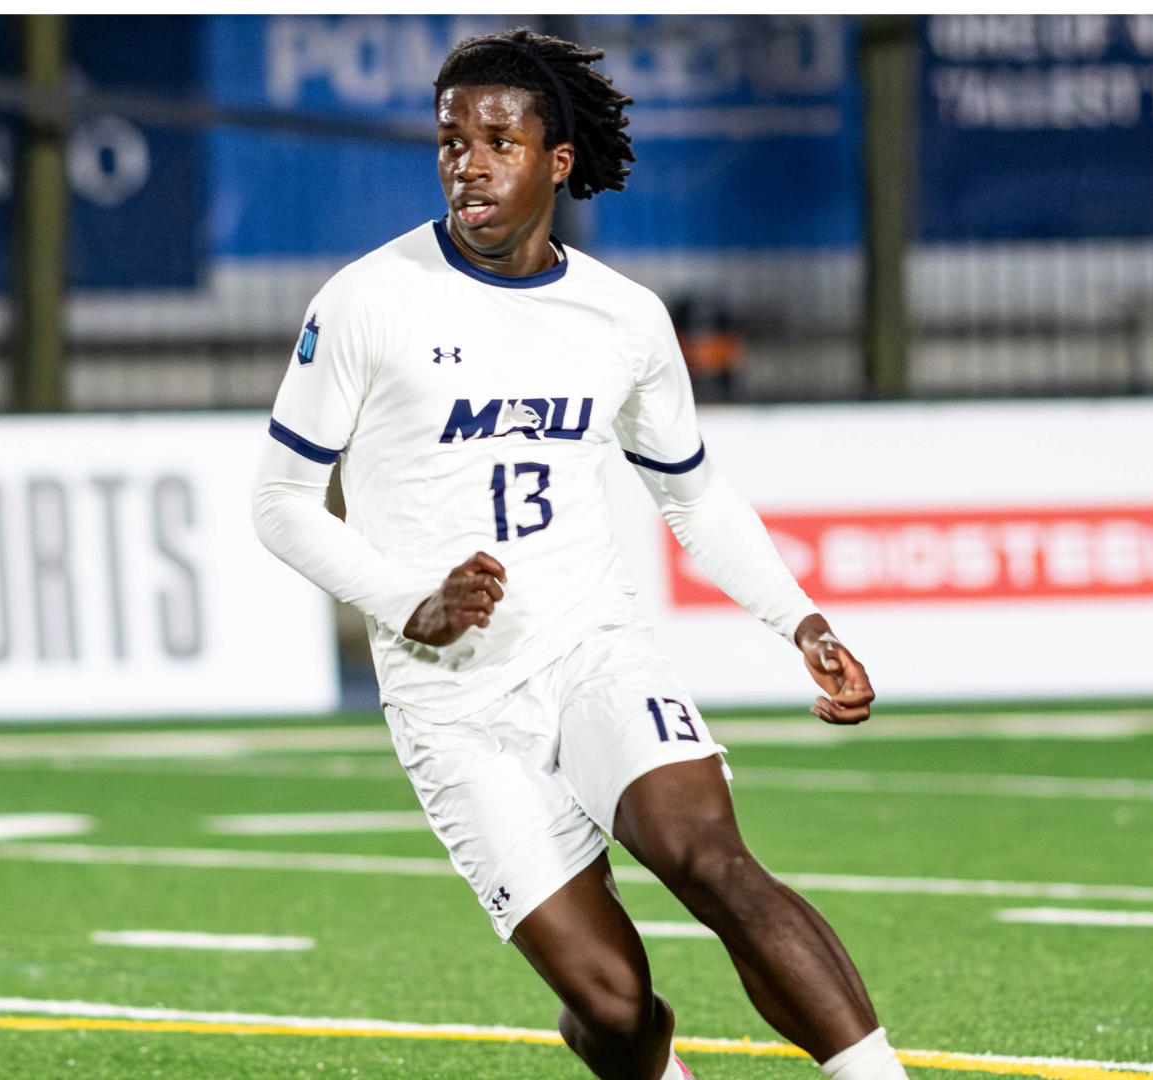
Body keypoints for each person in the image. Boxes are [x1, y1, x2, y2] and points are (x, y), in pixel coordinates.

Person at [252, 29, 898, 1080]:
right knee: (615, 1003)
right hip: (454, 703)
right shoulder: (367, 300)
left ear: (556, 161)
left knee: (713, 862)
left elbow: (691, 493)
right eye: (451, 139)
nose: (469, 161)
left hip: (596, 649)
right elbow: (280, 503)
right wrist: (408, 598)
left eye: (499, 139)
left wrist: (802, 619)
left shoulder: (622, 316)